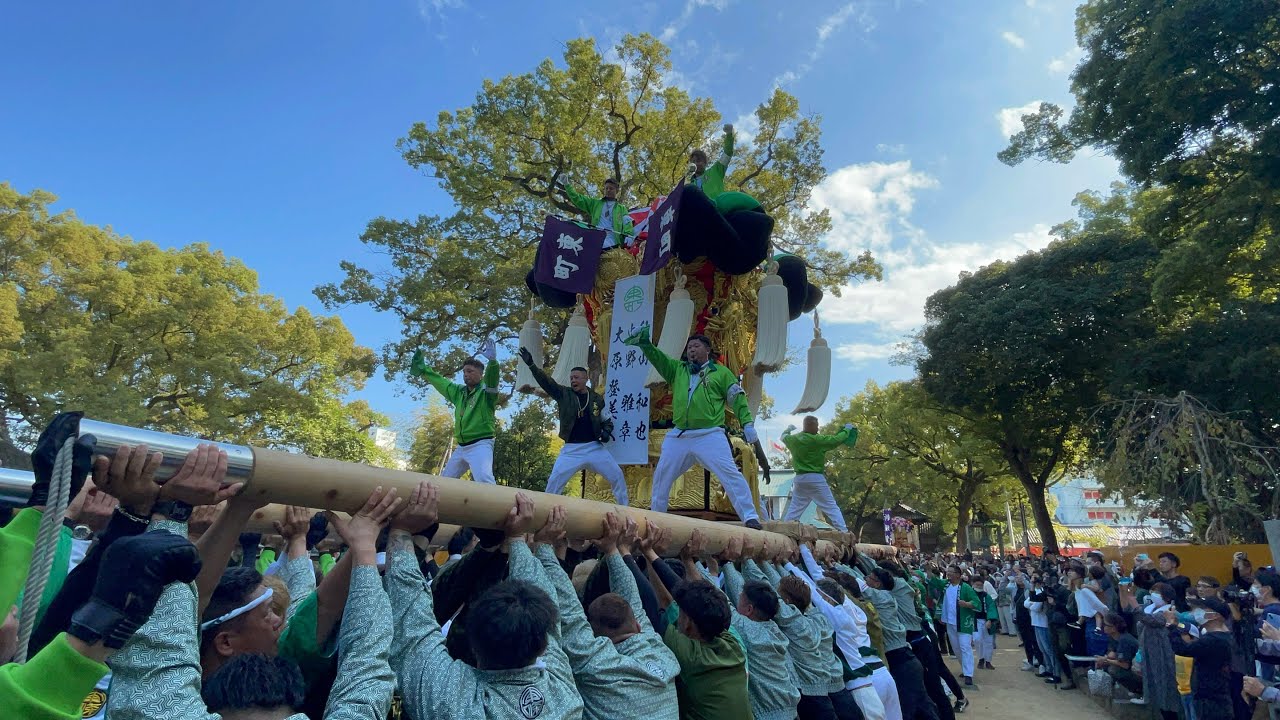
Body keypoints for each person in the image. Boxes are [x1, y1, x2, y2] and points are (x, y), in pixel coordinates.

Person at [387, 490, 585, 719]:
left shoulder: (453, 702)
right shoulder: (563, 694)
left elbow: (412, 622)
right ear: (543, 647)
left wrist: (401, 531)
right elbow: (546, 598)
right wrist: (517, 540)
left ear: (472, 644)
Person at [623, 329, 761, 528]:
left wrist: (747, 423)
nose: (691, 350)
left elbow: (737, 398)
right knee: (661, 476)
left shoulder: (721, 373)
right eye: (689, 348)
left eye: (696, 346)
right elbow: (658, 358)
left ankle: (750, 516)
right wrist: (646, 344)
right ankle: (656, 517)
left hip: (710, 434)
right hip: (679, 435)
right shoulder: (677, 369)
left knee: (730, 474)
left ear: (707, 350)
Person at [683, 532, 800, 720]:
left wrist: (691, 560)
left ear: (749, 609)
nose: (736, 598)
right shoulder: (773, 628)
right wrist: (728, 563)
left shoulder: (750, 631)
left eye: (740, 599)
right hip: (791, 710)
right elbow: (734, 592)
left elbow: (715, 598)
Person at [519, 347, 628, 505]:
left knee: (617, 475)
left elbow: (607, 420)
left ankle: (626, 510)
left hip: (594, 447)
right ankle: (546, 510)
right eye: (571, 378)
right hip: (571, 450)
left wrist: (606, 431)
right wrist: (531, 365)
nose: (573, 380)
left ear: (586, 378)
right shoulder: (563, 394)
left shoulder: (597, 399)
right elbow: (547, 382)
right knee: (554, 481)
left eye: (576, 377)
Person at [410, 340, 500, 484]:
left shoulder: (486, 392)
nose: (466, 374)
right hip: (462, 446)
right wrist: (423, 369)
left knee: (484, 479)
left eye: (470, 371)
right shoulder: (459, 392)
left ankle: (501, 500)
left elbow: (492, 381)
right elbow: (441, 382)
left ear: (481, 374)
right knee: (444, 483)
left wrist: (493, 363)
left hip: (481, 444)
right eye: (464, 371)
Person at [779, 417, 857, 532]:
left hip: (799, 479)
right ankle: (843, 531)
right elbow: (837, 439)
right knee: (831, 507)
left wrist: (789, 429)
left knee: (795, 508)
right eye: (816, 425)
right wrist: (847, 429)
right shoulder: (818, 440)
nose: (818, 428)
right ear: (810, 425)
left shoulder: (794, 439)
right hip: (815, 478)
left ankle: (786, 530)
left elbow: (783, 436)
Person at [1165, 597, 1236, 720]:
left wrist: (1171, 626)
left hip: (1211, 698)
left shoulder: (1212, 640)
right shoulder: (1225, 636)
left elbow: (1182, 649)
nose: (1197, 612)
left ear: (1215, 615)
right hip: (1220, 694)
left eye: (1202, 609)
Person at [562, 177, 635, 249]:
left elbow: (627, 223)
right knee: (573, 225)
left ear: (617, 191)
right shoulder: (595, 204)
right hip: (596, 237)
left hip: (613, 242)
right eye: (606, 188)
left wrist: (629, 235)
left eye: (611, 188)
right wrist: (567, 185)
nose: (608, 190)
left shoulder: (622, 208)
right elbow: (578, 199)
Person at [940, 565, 979, 687]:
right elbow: (933, 582)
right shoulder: (946, 585)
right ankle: (965, 668)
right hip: (950, 622)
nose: (948, 574)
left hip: (963, 623)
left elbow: (976, 602)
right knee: (956, 648)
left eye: (951, 572)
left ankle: (968, 674)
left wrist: (967, 604)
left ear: (958, 575)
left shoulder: (966, 588)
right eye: (948, 571)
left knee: (965, 647)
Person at [1093, 613, 1143, 698]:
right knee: (1104, 666)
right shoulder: (1113, 637)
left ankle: (1138, 691)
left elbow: (1125, 665)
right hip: (1130, 667)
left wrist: (1106, 660)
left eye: (1106, 625)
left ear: (1114, 628)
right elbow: (1112, 653)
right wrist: (1103, 659)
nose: (1103, 626)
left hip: (1139, 672)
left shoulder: (1125, 640)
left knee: (1114, 670)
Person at [688, 125, 736, 199]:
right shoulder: (689, 186)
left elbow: (727, 153)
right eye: (693, 162)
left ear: (705, 162)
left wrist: (729, 134)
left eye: (699, 160)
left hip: (717, 205)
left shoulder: (716, 170)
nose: (696, 164)